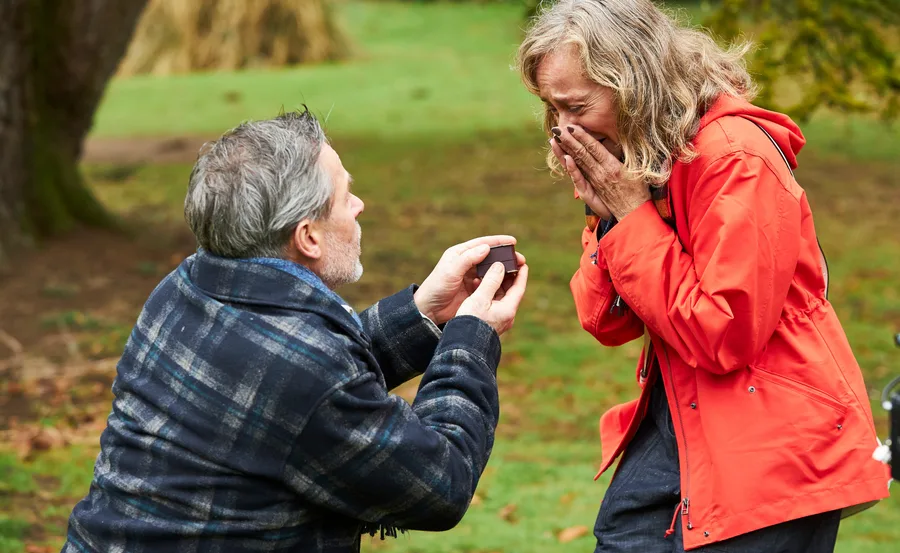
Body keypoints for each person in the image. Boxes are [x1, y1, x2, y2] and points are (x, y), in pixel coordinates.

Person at [61, 110, 529, 553]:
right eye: (347, 196)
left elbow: (290, 388)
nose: (360, 206)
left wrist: (422, 313)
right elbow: (439, 483)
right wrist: (470, 339)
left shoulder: (185, 288)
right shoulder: (309, 369)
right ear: (308, 238)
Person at [516, 1, 889, 552]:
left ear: (636, 82)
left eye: (575, 106)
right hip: (681, 419)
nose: (564, 129)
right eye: (552, 108)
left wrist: (634, 217)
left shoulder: (734, 158)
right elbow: (605, 321)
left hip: (770, 440)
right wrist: (611, 217)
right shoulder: (646, 162)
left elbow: (723, 334)